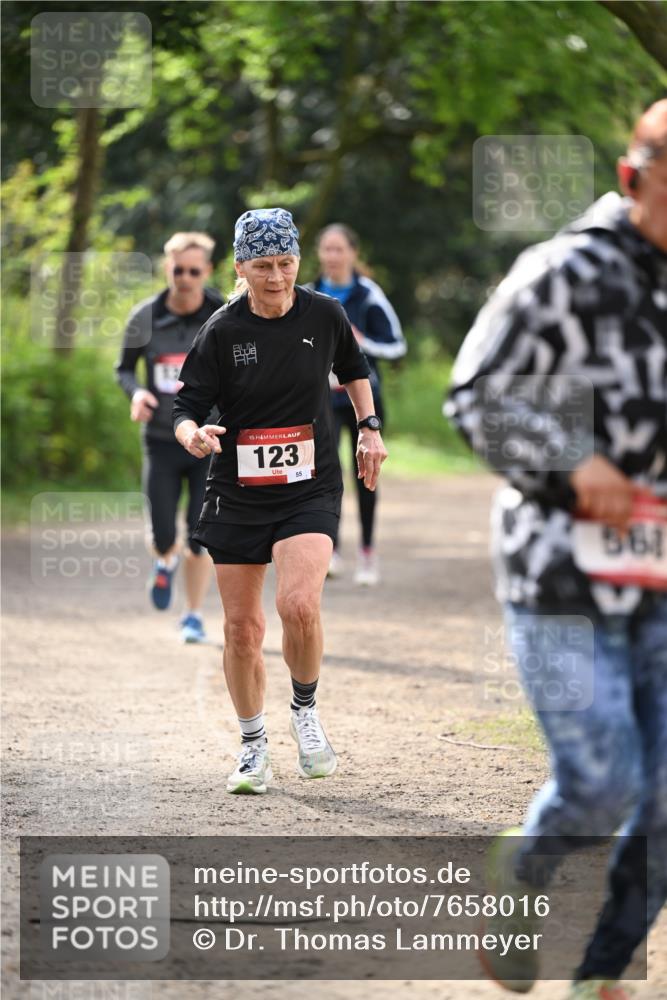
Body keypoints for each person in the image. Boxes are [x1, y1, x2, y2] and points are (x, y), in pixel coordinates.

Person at [446, 100, 667, 999]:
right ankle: (522, 872)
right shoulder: (563, 271)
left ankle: (602, 972)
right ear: (635, 176)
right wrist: (576, 461)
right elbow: (475, 394)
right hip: (560, 575)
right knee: (603, 784)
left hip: (660, 578)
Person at [173, 207, 387, 794]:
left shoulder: (326, 312)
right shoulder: (222, 329)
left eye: (286, 263)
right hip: (238, 492)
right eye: (262, 266)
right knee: (242, 628)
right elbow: (185, 405)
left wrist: (368, 427)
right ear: (240, 268)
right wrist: (192, 433)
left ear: (299, 261)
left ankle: (306, 711)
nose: (276, 277)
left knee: (298, 604)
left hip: (309, 485)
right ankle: (252, 746)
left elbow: (354, 365)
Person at [115, 232, 223, 643]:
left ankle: (193, 614)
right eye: (178, 270)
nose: (185, 278)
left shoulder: (223, 313)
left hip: (207, 442)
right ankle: (164, 561)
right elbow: (124, 368)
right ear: (167, 269)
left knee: (200, 534)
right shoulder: (144, 316)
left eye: (194, 271)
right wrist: (137, 392)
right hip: (160, 439)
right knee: (163, 535)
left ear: (207, 271)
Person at [312, 224, 406, 585]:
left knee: (365, 471)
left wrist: (361, 343)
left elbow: (396, 346)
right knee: (326, 470)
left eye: (339, 250)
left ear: (353, 253)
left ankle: (367, 552)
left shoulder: (369, 295)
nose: (332, 257)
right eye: (326, 249)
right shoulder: (310, 293)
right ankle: (330, 549)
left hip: (365, 400)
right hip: (323, 399)